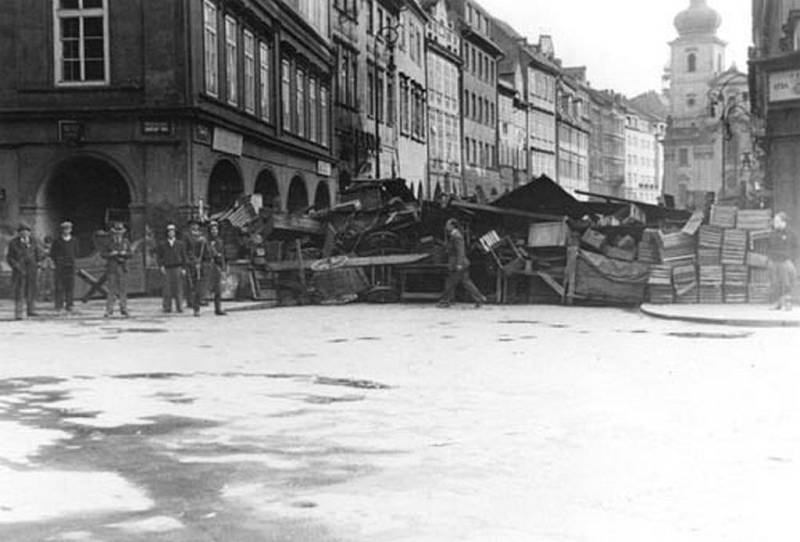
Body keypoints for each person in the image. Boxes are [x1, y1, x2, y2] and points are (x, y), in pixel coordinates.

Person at [438, 218, 488, 308]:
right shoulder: (454, 235)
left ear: (452, 226)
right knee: (466, 282)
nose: (446, 226)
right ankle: (479, 298)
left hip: (458, 263)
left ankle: (445, 301)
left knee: (451, 282)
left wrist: (459, 264)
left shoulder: (457, 236)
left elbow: (460, 251)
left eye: (447, 225)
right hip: (460, 263)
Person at [6, 224, 43, 320]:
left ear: (29, 232)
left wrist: (39, 262)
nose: (25, 233)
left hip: (32, 269)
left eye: (27, 231)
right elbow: (9, 257)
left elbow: (38, 253)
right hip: (19, 270)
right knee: (19, 291)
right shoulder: (13, 243)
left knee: (31, 289)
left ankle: (31, 310)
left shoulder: (34, 241)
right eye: (22, 231)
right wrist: (16, 266)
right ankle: (18, 313)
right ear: (19, 233)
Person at [768, 211, 798, 311]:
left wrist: (791, 258)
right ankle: (778, 303)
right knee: (775, 283)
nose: (775, 223)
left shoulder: (791, 233)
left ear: (783, 222)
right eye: (774, 221)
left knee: (787, 282)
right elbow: (769, 246)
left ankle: (788, 303)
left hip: (785, 261)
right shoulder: (772, 233)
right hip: (774, 261)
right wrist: (769, 259)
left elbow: (796, 247)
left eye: (777, 221)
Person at [101, 222, 132, 317]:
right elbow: (102, 254)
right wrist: (111, 254)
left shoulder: (126, 242)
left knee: (123, 289)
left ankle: (124, 308)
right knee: (111, 289)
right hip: (112, 267)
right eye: (116, 232)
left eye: (120, 232)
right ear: (113, 233)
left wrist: (124, 253)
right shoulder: (108, 242)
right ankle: (109, 310)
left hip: (122, 267)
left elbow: (131, 254)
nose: (118, 234)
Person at [155, 223, 186, 313]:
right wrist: (161, 266)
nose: (171, 233)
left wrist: (184, 268)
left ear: (175, 233)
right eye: (169, 232)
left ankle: (179, 306)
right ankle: (167, 307)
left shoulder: (180, 244)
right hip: (167, 268)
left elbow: (184, 256)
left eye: (172, 231)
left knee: (178, 288)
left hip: (178, 267)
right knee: (167, 289)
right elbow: (159, 256)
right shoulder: (163, 244)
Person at [50, 221, 79, 314]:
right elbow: (52, 253)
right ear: (62, 230)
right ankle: (59, 306)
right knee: (59, 286)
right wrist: (58, 261)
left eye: (68, 229)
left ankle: (70, 305)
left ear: (71, 230)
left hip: (70, 266)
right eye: (64, 229)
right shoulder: (57, 241)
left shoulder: (74, 240)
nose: (66, 231)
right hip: (60, 266)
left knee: (70, 286)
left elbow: (76, 252)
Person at [184, 218, 209, 316]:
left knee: (199, 285)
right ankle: (193, 305)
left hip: (200, 263)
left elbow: (206, 251)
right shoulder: (187, 236)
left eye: (197, 225)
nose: (195, 226)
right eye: (193, 225)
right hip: (191, 263)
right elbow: (185, 250)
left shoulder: (202, 237)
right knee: (192, 285)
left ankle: (198, 303)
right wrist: (190, 261)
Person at [207, 220, 227, 316]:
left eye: (216, 229)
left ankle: (218, 308)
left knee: (218, 289)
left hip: (217, 266)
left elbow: (222, 255)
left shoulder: (220, 241)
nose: (214, 231)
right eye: (212, 229)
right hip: (207, 265)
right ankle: (197, 307)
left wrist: (223, 267)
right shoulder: (206, 241)